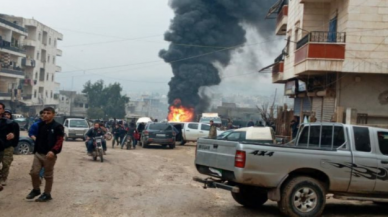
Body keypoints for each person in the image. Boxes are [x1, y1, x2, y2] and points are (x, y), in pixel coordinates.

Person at [26, 107, 64, 202]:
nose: (45, 115)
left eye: (48, 113)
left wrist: (53, 151)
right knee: (34, 173)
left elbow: (59, 141)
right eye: (44, 113)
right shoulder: (40, 125)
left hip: (49, 154)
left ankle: (47, 194)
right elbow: (33, 134)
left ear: (53, 114)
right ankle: (36, 189)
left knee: (48, 175)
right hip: (38, 153)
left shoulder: (57, 126)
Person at [1, 110, 20, 186]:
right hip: (1, 146)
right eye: (5, 114)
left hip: (8, 147)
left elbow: (16, 135)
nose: (6, 115)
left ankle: (3, 178)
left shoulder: (13, 124)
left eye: (8, 114)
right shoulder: (2, 123)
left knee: (6, 164)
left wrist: (13, 145)